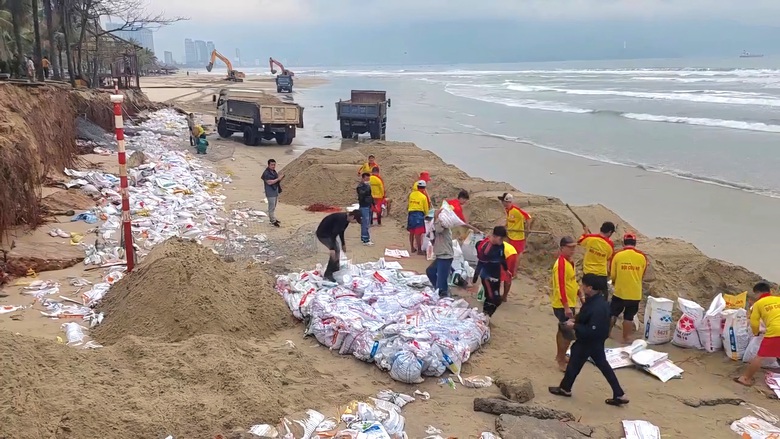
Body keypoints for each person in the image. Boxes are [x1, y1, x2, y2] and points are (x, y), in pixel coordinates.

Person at [549, 273, 630, 406]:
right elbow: (585, 315)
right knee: (597, 365)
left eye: (584, 285)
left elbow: (593, 329)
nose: (582, 287)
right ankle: (619, 393)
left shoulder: (597, 307)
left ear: (590, 288)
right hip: (594, 341)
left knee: (577, 362)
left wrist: (574, 325)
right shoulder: (596, 301)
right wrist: (576, 320)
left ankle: (565, 388)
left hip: (590, 341)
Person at [426, 207, 480, 298]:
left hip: (445, 256)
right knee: (430, 271)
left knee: (441, 282)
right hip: (440, 255)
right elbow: (432, 238)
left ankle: (443, 295)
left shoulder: (443, 225)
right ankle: (440, 291)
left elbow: (439, 229)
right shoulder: (435, 227)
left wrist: (436, 217)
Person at [734, 282, 780, 387]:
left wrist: (756, 333)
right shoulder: (778, 299)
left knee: (760, 356)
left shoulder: (758, 304)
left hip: (775, 330)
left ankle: (745, 378)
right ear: (770, 291)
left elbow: (754, 323)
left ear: (757, 293)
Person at [609, 233, 648, 343]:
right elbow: (642, 274)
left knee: (613, 313)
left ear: (624, 243)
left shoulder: (617, 255)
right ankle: (626, 337)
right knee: (629, 316)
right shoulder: (642, 257)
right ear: (635, 243)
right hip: (635, 293)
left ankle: (606, 333)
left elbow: (612, 274)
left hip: (620, 291)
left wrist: (616, 282)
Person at [551, 236, 579, 372]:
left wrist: (579, 293)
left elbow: (571, 281)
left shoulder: (569, 262)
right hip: (563, 304)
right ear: (562, 248)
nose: (573, 250)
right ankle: (561, 359)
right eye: (570, 247)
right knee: (568, 334)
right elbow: (560, 286)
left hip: (570, 301)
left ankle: (559, 356)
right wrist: (566, 306)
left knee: (562, 331)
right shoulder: (561, 264)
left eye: (574, 247)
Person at [316, 210, 362, 282]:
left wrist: (343, 244)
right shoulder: (341, 219)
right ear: (352, 217)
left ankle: (335, 268)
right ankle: (328, 274)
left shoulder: (346, 220)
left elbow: (341, 231)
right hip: (323, 235)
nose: (355, 222)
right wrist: (331, 248)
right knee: (334, 252)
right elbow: (334, 234)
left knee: (337, 250)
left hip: (330, 235)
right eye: (356, 220)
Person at [472, 226, 508, 317]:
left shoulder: (501, 245)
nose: (502, 241)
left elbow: (502, 258)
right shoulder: (486, 248)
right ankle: (484, 317)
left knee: (497, 300)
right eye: (500, 239)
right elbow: (480, 262)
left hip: (496, 275)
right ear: (494, 236)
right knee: (491, 298)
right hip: (487, 276)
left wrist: (506, 270)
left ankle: (485, 317)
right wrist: (475, 278)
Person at [578, 221, 616, 299]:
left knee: (589, 299)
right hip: (601, 275)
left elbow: (580, 241)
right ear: (609, 232)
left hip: (588, 273)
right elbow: (609, 257)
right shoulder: (610, 245)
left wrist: (585, 232)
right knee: (602, 299)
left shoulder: (590, 238)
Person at [499, 193, 531, 278]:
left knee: (516, 255)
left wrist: (528, 229)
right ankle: (508, 270)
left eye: (503, 200)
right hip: (510, 235)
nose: (502, 202)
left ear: (507, 201)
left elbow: (528, 217)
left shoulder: (516, 210)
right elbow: (509, 221)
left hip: (518, 237)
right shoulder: (507, 210)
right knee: (509, 253)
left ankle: (514, 274)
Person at [407, 180, 430, 254]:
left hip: (410, 213)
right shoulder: (423, 197)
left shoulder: (411, 194)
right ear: (424, 188)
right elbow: (426, 209)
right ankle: (419, 250)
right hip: (419, 214)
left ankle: (412, 248)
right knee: (418, 233)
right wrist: (427, 216)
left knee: (411, 231)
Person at [261, 159, 283, 227]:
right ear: (268, 165)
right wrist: (278, 179)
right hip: (270, 193)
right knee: (271, 207)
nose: (273, 166)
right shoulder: (266, 173)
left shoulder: (273, 171)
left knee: (273, 207)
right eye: (272, 165)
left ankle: (273, 218)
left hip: (275, 191)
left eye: (274, 165)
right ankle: (272, 221)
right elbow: (269, 182)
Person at [356, 172, 374, 246]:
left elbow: (370, 195)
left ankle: (366, 237)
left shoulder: (367, 186)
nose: (368, 180)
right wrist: (366, 189)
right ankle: (365, 239)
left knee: (368, 223)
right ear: (363, 178)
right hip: (364, 206)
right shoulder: (360, 186)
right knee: (365, 223)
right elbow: (361, 195)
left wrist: (373, 203)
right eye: (367, 178)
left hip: (368, 205)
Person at [500, 237, 518, 303]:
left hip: (507, 254)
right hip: (512, 252)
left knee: (498, 275)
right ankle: (504, 296)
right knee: (508, 276)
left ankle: (495, 296)